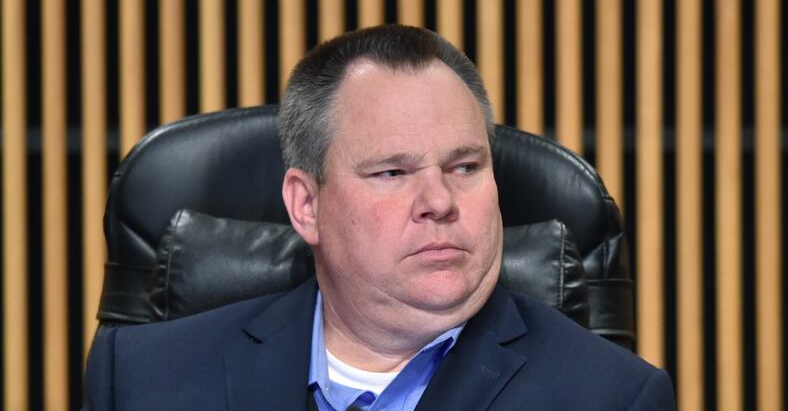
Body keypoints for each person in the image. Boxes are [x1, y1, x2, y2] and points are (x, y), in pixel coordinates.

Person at [83, 25, 675, 410]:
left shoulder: (611, 397)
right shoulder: (141, 380)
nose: (440, 201)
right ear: (306, 206)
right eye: (393, 173)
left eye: (465, 166)